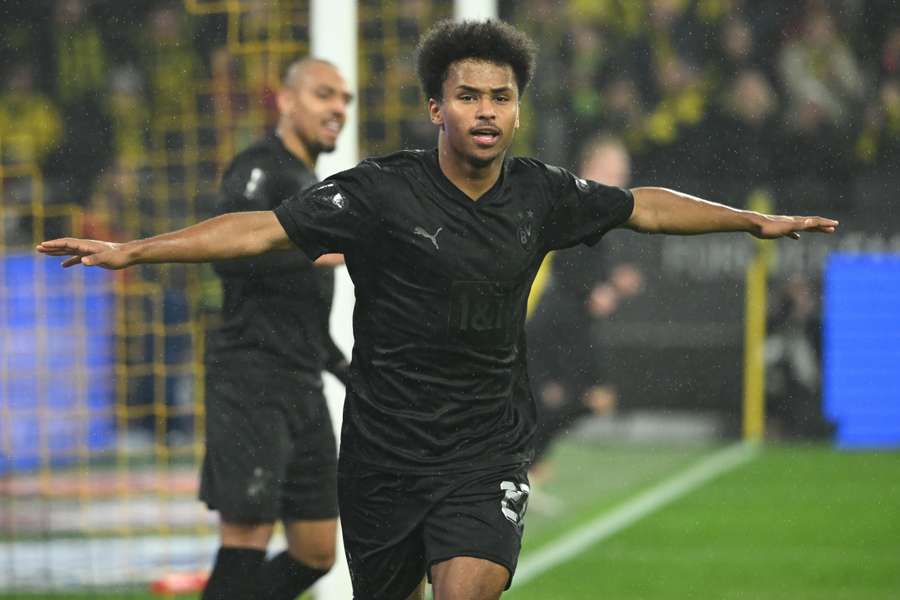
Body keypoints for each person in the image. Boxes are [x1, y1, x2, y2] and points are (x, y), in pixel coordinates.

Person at [38, 19, 838, 600]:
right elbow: (260, 230)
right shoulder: (380, 191)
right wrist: (135, 249)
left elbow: (644, 206)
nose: (486, 110)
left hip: (484, 451)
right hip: (383, 456)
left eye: (500, 96)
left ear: (517, 110)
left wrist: (750, 219)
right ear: (436, 108)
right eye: (468, 96)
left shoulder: (542, 194)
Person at [198, 57, 352, 600]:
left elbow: (300, 312)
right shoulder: (258, 167)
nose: (338, 108)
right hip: (251, 381)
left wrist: (346, 370)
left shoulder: (309, 180)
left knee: (316, 552)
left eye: (344, 99)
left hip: (302, 383)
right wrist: (316, 253)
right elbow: (228, 259)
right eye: (324, 95)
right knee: (245, 541)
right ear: (286, 102)